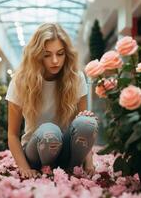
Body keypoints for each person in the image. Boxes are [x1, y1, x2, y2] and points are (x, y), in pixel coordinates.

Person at [6, 23, 99, 179]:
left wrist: (89, 162)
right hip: (36, 152)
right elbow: (12, 134)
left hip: (67, 152)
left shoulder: (76, 78)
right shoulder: (20, 81)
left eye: (60, 53)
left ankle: (71, 169)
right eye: (47, 55)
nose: (55, 60)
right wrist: (24, 168)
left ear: (66, 53)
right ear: (36, 55)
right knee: (50, 131)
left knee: (87, 122)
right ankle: (47, 170)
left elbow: (81, 125)